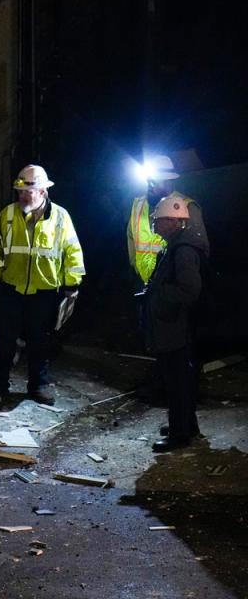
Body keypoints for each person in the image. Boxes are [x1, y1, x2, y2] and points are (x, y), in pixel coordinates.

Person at [0, 165, 86, 410]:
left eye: (27, 192)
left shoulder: (61, 217)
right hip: (11, 289)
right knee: (5, 343)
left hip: (44, 292)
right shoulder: (7, 215)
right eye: (20, 192)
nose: (22, 197)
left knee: (40, 342)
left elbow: (72, 251)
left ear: (42, 191)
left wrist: (71, 284)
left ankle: (37, 386)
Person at [126, 154, 209, 401]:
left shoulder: (185, 206)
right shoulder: (139, 204)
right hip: (150, 285)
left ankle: (182, 395)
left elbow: (198, 248)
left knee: (179, 346)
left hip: (174, 287)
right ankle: (164, 386)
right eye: (150, 181)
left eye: (157, 181)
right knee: (157, 341)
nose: (153, 186)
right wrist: (138, 275)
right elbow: (131, 238)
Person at [144, 196, 206, 452]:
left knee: (177, 380)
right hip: (175, 324)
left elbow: (189, 290)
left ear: (172, 222)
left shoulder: (183, 251)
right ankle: (186, 425)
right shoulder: (177, 246)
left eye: (157, 221)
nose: (154, 226)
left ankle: (179, 434)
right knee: (180, 378)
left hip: (174, 325)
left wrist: (159, 296)